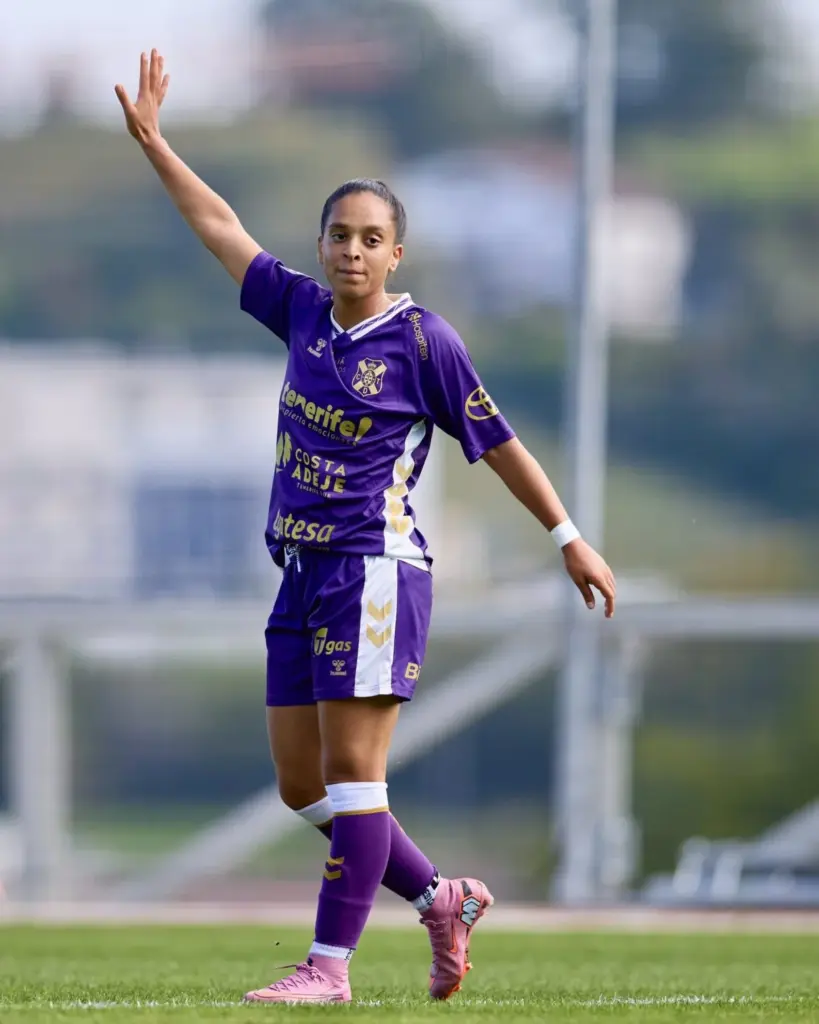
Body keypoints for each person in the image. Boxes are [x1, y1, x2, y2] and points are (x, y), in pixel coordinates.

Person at [116, 50, 617, 1006]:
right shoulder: (301, 312)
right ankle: (440, 896)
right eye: (338, 234)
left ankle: (328, 968)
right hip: (301, 574)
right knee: (302, 789)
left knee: (354, 776)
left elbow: (498, 442)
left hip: (374, 570)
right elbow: (218, 226)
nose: (350, 250)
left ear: (396, 254)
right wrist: (156, 146)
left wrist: (567, 538)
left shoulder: (425, 342)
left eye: (369, 237)